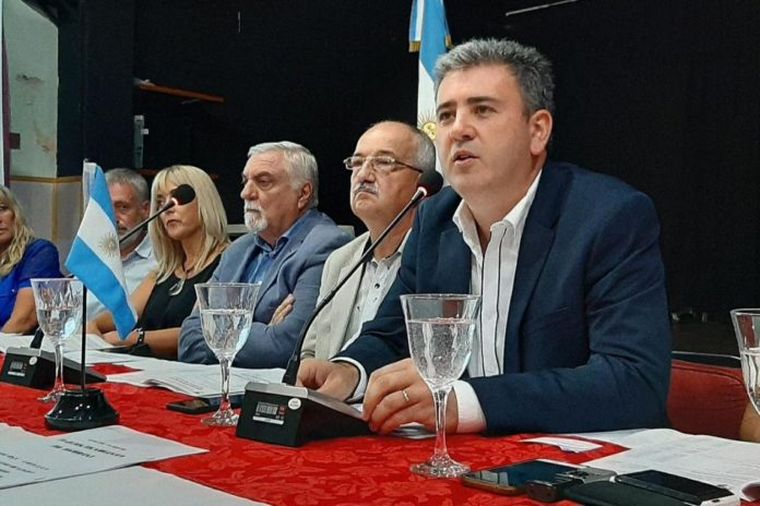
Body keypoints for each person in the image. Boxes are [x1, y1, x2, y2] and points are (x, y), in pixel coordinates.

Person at [298, 38, 671, 436]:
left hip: (583, 456)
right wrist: (349, 371)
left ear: (538, 131)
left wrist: (467, 401)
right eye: (446, 115)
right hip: (467, 456)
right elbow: (392, 334)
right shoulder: (434, 221)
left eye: (482, 110)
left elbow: (634, 381)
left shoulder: (607, 217)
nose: (458, 130)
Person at [178, 141, 351, 368]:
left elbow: (286, 346)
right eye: (245, 181)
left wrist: (217, 334)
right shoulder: (237, 250)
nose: (246, 193)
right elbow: (188, 339)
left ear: (303, 194)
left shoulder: (326, 245)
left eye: (263, 182)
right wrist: (263, 331)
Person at [300, 121, 435, 360]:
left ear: (424, 182)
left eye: (383, 162)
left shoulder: (433, 261)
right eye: (357, 162)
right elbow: (310, 351)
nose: (363, 175)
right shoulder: (340, 260)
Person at [88, 165, 228, 358]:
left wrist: (135, 339)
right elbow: (124, 314)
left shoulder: (229, 260)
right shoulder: (163, 271)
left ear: (204, 201)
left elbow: (202, 331)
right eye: (161, 202)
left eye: (178, 198)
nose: (168, 209)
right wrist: (93, 325)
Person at [86, 168, 157, 319]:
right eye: (106, 208)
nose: (113, 218)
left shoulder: (161, 261)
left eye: (123, 207)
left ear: (145, 210)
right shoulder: (88, 255)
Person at [0, 186, 62, 333]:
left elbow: (24, 320)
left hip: (16, 344)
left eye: (2, 209)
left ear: (15, 213)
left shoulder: (39, 253)